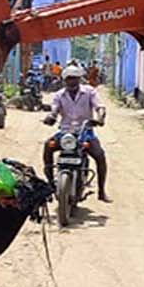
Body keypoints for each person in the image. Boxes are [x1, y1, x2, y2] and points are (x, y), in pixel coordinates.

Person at [44, 64, 110, 202]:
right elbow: (54, 109)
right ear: (64, 80)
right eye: (68, 79)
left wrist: (100, 117)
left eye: (74, 78)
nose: (71, 81)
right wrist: (51, 117)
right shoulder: (59, 95)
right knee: (48, 147)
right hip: (65, 133)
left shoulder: (89, 92)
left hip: (85, 132)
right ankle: (50, 185)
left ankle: (101, 191)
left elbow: (99, 106)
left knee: (99, 156)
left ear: (80, 79)